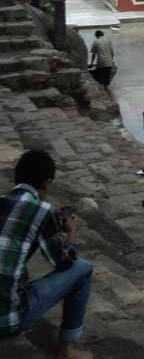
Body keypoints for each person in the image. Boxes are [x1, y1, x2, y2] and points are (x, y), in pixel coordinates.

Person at [0, 150, 94, 359]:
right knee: (83, 269)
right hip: (8, 318)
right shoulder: (41, 210)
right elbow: (64, 262)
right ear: (46, 183)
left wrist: (54, 223)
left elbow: (19, 229)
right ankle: (66, 349)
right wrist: (71, 231)